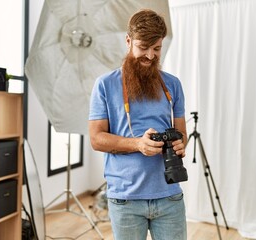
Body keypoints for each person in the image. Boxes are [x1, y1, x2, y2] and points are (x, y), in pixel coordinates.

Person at [88, 8, 187, 240]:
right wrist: (137, 144)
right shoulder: (104, 85)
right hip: (125, 199)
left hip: (169, 196)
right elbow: (96, 138)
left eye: (157, 48)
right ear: (128, 41)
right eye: (143, 47)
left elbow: (181, 132)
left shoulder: (173, 85)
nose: (150, 56)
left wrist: (181, 143)